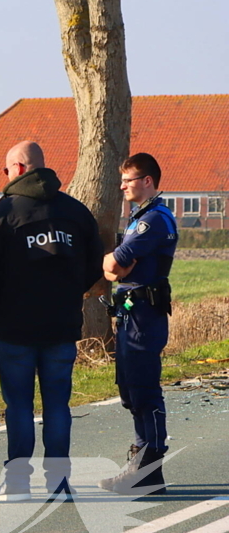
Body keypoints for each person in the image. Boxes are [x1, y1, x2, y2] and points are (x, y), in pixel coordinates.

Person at [0, 141, 103, 502]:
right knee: (58, 405)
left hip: (15, 327)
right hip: (61, 324)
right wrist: (72, 292)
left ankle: (18, 483)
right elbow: (94, 263)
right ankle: (59, 484)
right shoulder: (75, 212)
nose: (5, 176)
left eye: (7, 169)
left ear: (19, 167)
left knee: (19, 406)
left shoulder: (4, 214)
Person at [98, 153, 177, 495]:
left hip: (145, 313)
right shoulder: (138, 218)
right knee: (130, 388)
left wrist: (114, 263)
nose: (123, 186)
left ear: (147, 181)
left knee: (144, 388)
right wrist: (115, 265)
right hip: (130, 312)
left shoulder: (154, 220)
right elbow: (115, 269)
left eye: (129, 180)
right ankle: (140, 459)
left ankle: (150, 465)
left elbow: (116, 263)